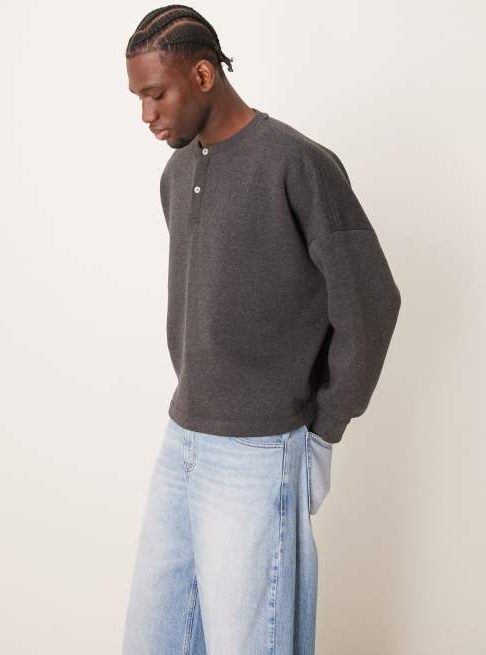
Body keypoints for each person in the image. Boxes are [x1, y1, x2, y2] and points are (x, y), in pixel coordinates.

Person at [122, 5, 401, 654]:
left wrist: (323, 430)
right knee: (152, 639)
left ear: (202, 75)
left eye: (155, 94)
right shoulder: (176, 173)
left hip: (258, 451)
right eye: (138, 99)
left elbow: (371, 302)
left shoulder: (297, 164)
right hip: (181, 439)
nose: (146, 115)